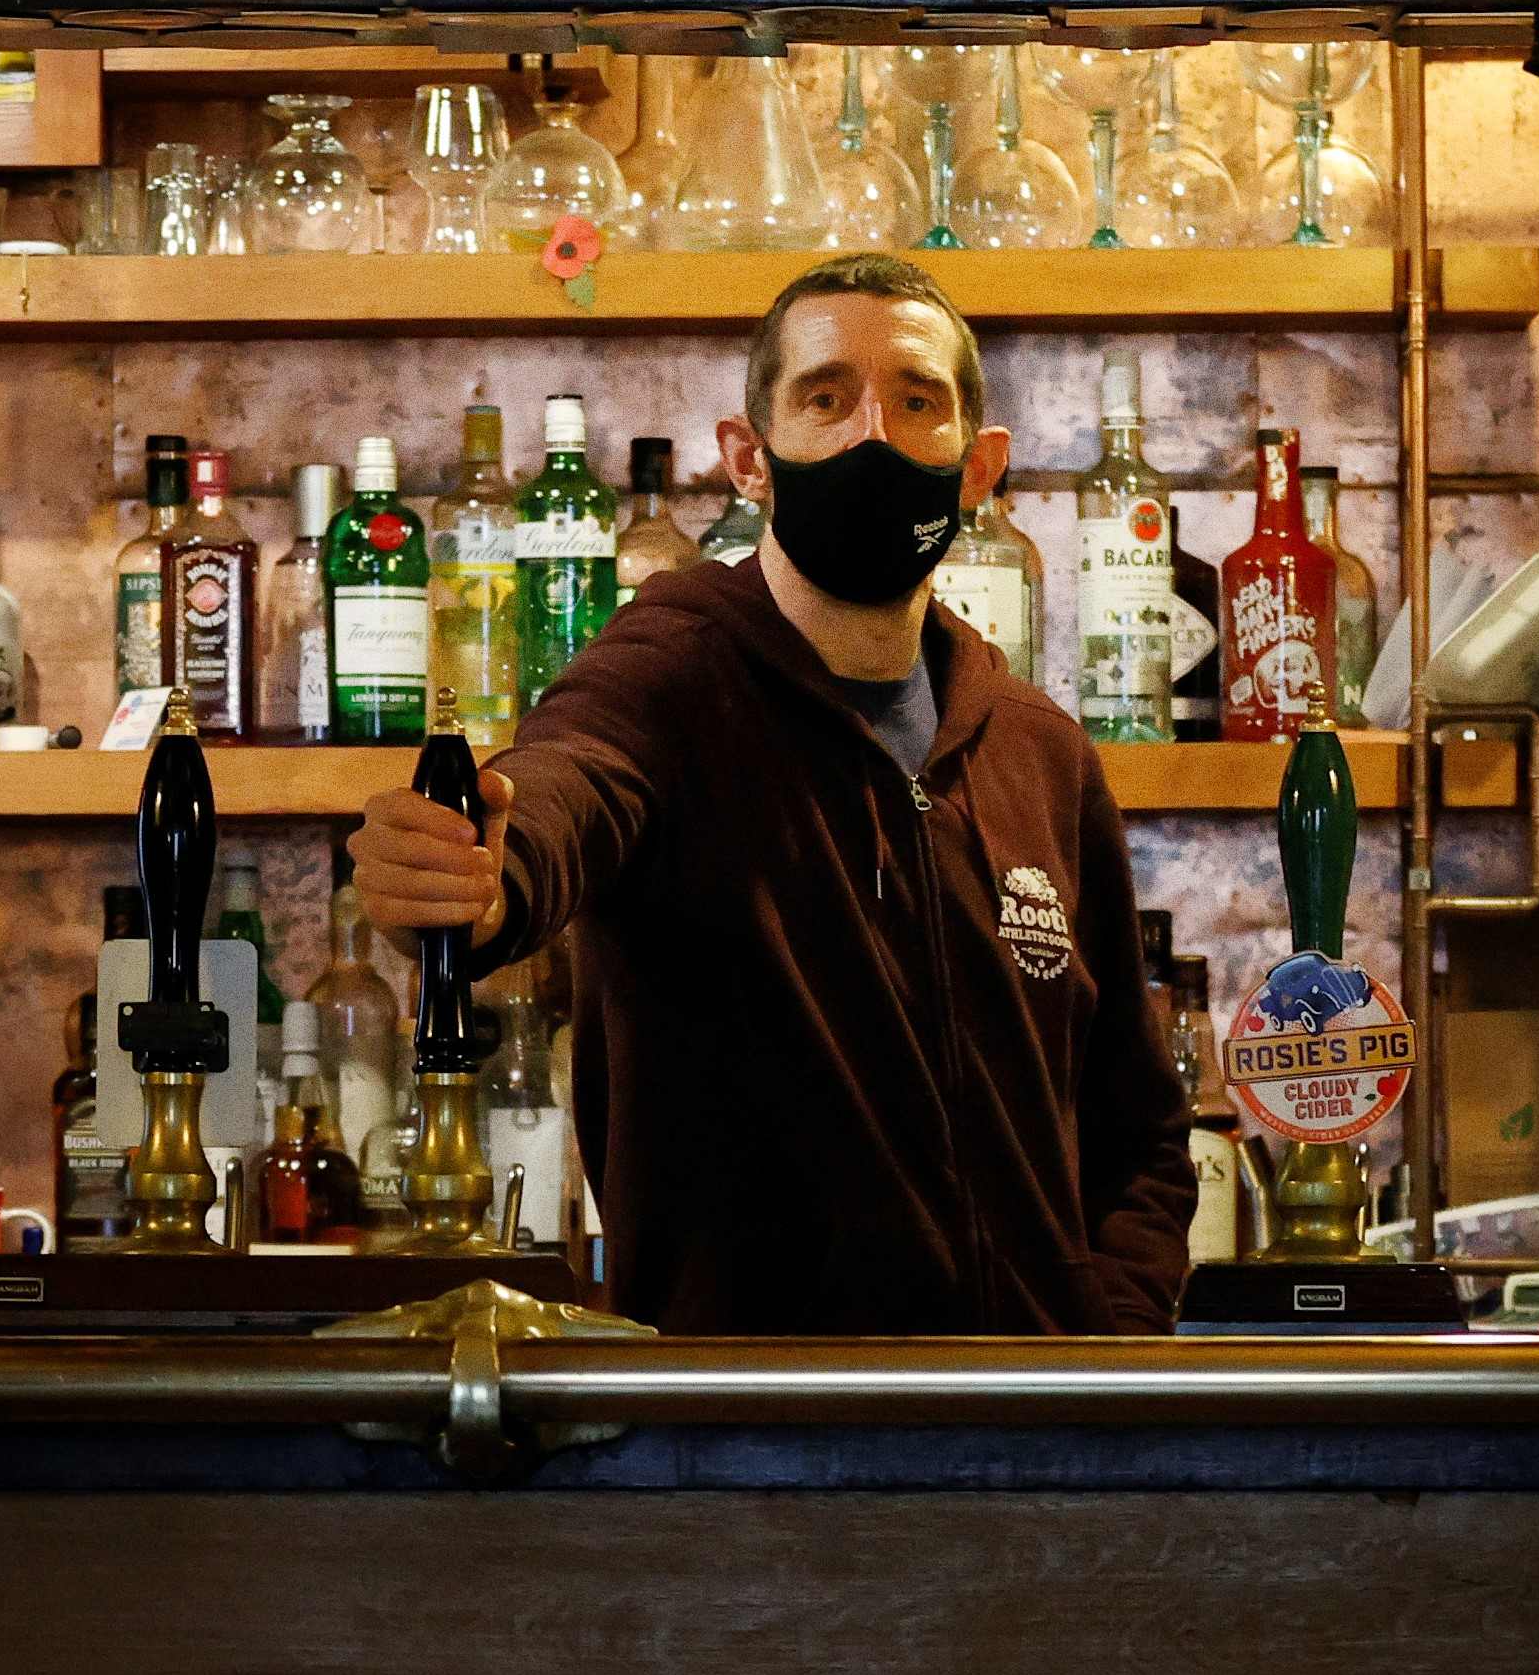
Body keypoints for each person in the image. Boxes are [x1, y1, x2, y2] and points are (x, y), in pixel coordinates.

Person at [351, 253, 1191, 1335]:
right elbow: (566, 788)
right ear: (750, 459)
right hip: (749, 1444)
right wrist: (482, 880)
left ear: (979, 471)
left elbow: (1140, 1129)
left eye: (916, 401)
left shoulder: (1043, 755)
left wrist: (1105, 1343)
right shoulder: (669, 677)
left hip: (1025, 1445)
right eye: (827, 397)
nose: (872, 436)